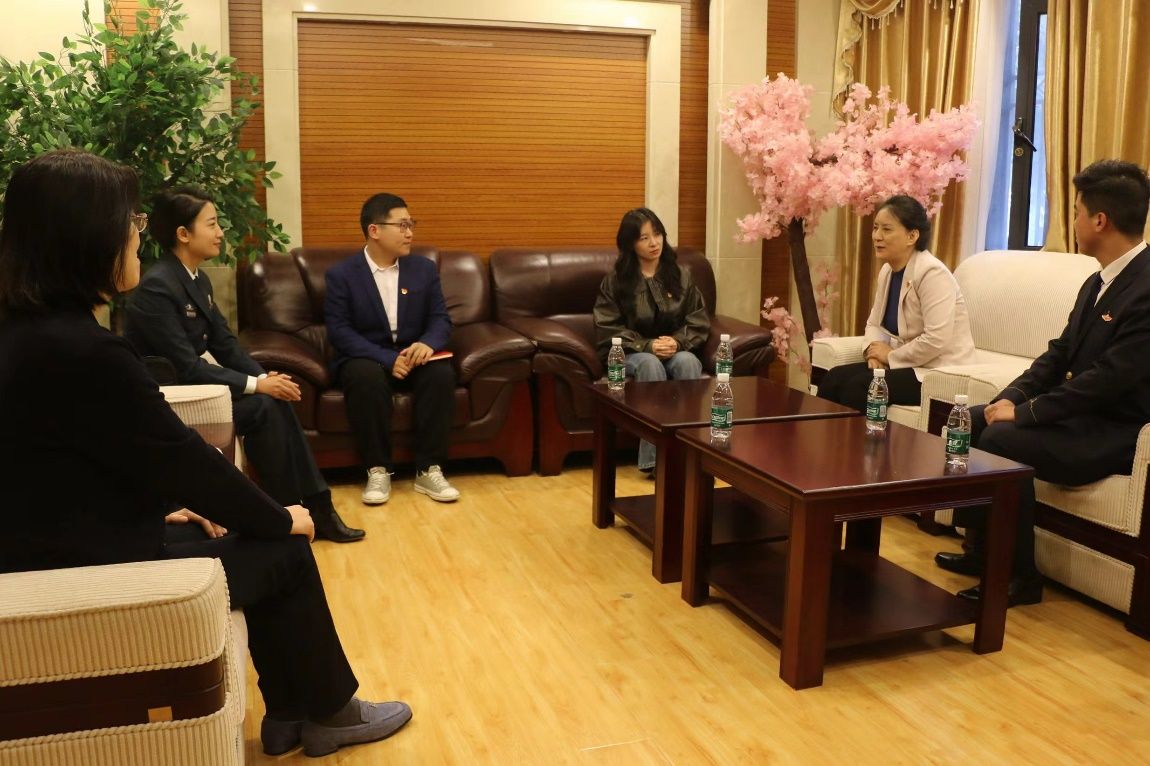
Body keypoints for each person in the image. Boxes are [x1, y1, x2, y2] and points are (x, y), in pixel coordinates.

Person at [0, 150, 411, 757]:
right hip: (84, 567)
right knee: (283, 550)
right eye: (131, 220)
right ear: (86, 235)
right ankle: (329, 711)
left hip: (58, 539)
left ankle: (291, 715)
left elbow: (74, 459)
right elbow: (180, 457)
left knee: (249, 525)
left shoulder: (28, 333)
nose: (138, 234)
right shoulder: (85, 351)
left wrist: (165, 505)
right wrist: (280, 517)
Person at [934, 159, 1150, 607]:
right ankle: (981, 549)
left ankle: (1018, 577)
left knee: (1002, 439)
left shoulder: (1145, 288)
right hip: (1077, 418)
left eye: (1075, 212)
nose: (1072, 222)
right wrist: (1008, 398)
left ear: (1099, 220)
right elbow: (1058, 354)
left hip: (1112, 431)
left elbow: (1107, 381)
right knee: (970, 421)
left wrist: (1027, 413)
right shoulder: (1098, 280)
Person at [124, 187, 363, 543]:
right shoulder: (157, 287)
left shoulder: (196, 279)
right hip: (173, 400)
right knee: (264, 407)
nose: (221, 232)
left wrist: (266, 377)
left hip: (201, 391)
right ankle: (288, 514)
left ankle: (312, 507)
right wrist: (257, 386)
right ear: (184, 234)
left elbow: (225, 344)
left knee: (274, 399)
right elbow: (187, 367)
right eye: (212, 224)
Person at [325, 193, 460, 505]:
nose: (409, 233)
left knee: (440, 373)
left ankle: (429, 469)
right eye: (402, 226)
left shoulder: (423, 269)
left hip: (415, 354)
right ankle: (378, 469)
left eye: (411, 225)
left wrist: (427, 343)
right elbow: (339, 331)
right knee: (364, 376)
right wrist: (387, 358)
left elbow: (440, 318)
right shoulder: (342, 275)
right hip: (367, 356)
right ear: (374, 230)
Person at [817, 195, 977, 412]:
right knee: (834, 378)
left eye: (886, 229)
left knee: (860, 388)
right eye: (875, 228)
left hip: (938, 371)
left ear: (912, 236)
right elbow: (875, 324)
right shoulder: (888, 271)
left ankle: (857, 436)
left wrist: (890, 356)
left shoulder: (932, 273)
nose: (877, 236)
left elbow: (936, 339)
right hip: (907, 365)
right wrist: (874, 352)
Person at [594, 207, 708, 473]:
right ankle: (653, 461)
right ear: (630, 244)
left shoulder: (680, 276)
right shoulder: (617, 281)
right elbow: (607, 328)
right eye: (644, 238)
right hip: (630, 353)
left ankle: (690, 455)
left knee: (688, 362)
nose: (654, 243)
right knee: (649, 364)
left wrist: (677, 342)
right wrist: (647, 346)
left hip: (673, 348)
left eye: (657, 234)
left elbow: (698, 319)